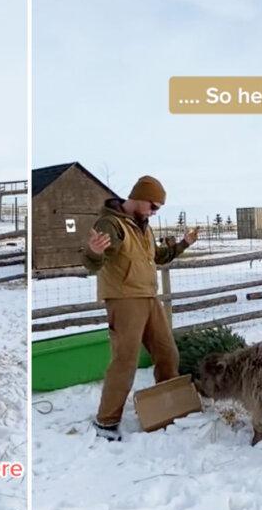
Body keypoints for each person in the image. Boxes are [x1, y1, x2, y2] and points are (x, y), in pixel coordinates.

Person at [80, 175, 198, 440]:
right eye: (153, 206)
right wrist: (94, 252)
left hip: (148, 297)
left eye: (158, 209)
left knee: (168, 353)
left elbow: (157, 257)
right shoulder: (111, 224)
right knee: (125, 361)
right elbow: (94, 262)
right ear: (139, 197)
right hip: (124, 300)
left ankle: (169, 406)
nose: (154, 212)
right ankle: (106, 421)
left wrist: (184, 244)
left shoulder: (142, 225)